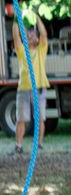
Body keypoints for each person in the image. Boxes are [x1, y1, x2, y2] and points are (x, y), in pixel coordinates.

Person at [12, 13, 50, 154]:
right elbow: (16, 37)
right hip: (24, 89)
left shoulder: (41, 50)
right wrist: (16, 19)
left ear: (38, 39)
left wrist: (37, 17)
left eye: (33, 34)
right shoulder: (22, 51)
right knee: (21, 118)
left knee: (40, 118)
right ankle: (19, 146)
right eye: (28, 35)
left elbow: (44, 34)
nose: (30, 36)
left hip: (39, 88)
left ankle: (39, 145)